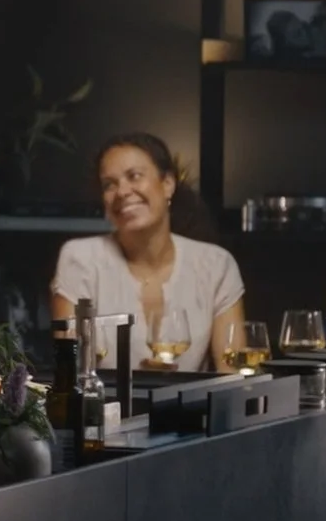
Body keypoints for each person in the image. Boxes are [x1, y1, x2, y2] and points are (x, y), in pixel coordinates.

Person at [49, 133, 245, 372]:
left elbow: (232, 375)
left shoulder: (216, 265)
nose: (122, 191)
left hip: (192, 399)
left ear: (168, 184)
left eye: (134, 176)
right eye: (109, 184)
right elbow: (69, 370)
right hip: (102, 398)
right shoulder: (80, 258)